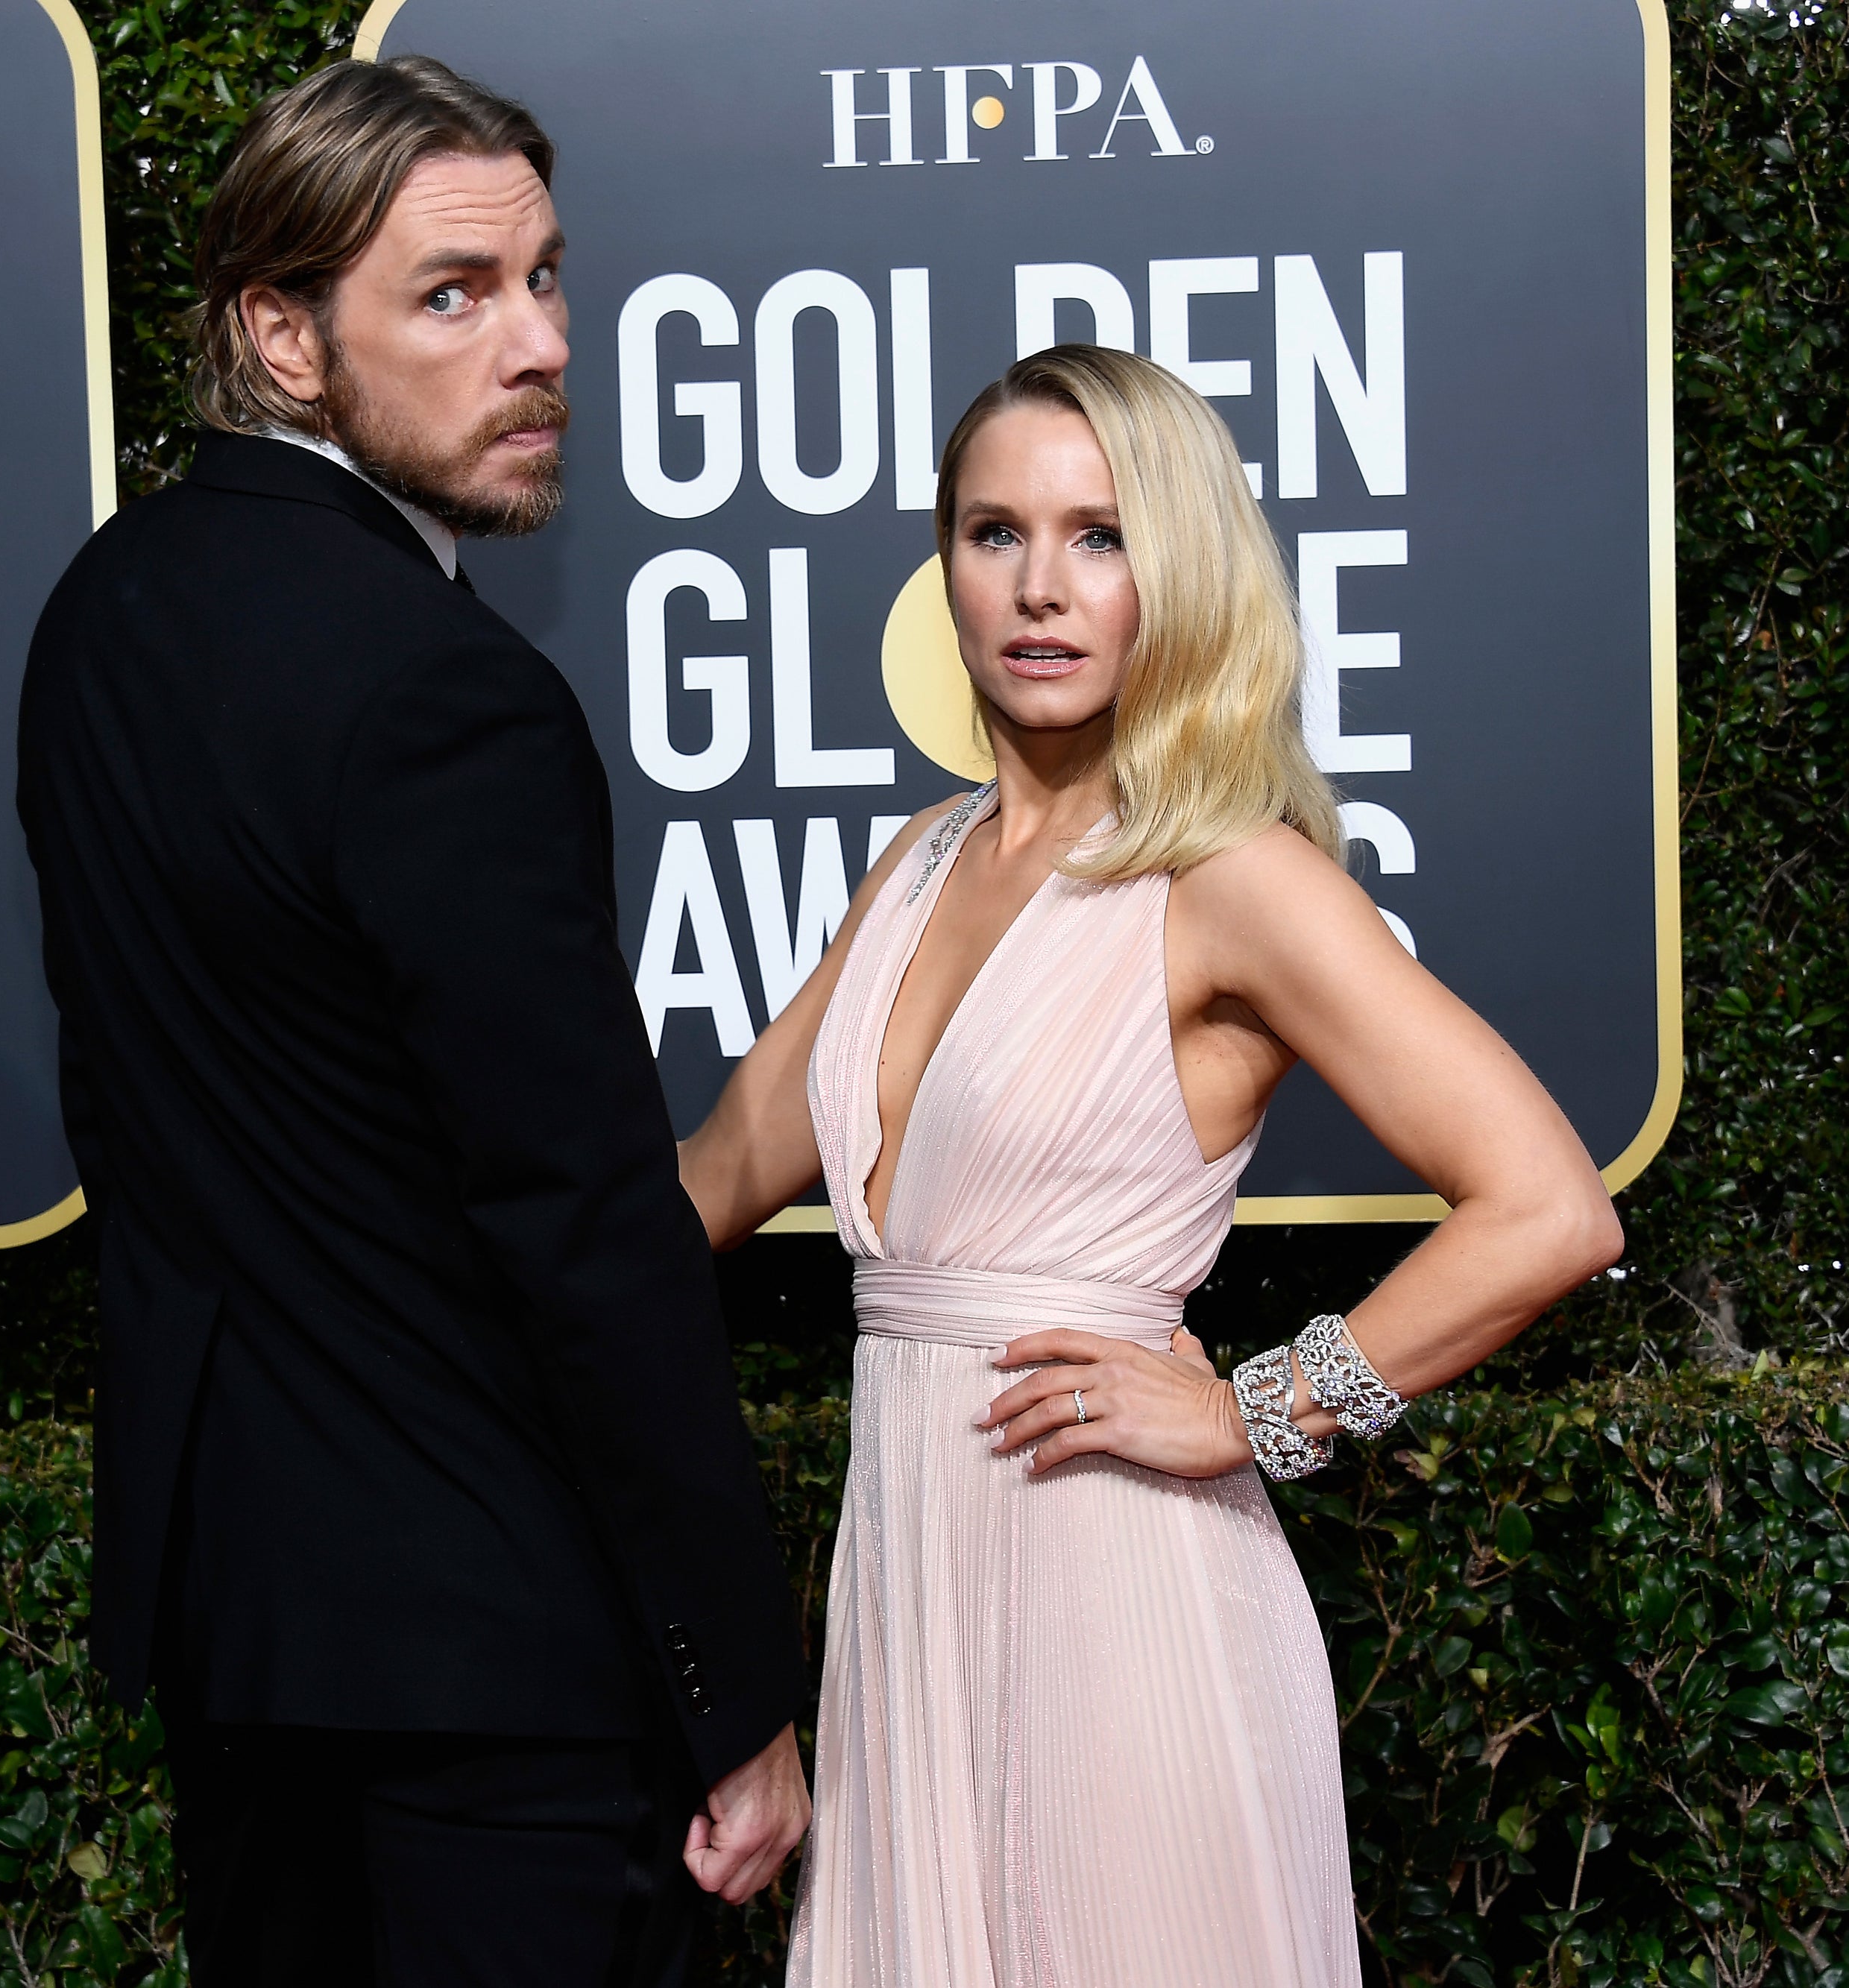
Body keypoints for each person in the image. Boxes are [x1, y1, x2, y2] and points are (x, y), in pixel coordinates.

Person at [678, 344, 1625, 1987]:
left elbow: (1548, 1205)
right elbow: (697, 1188)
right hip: (912, 1601)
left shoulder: (1229, 874)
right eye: (993, 533)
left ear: (1170, 572)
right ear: (944, 565)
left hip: (1126, 1594)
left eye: (1098, 536)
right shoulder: (911, 862)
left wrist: (1252, 1405)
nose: (1039, 587)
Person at [16, 57, 806, 1987]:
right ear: (283, 339)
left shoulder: (105, 616)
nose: (537, 346)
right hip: (496, 1656)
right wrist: (733, 1682)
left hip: (248, 1637)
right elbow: (582, 1226)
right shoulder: (449, 692)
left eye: (547, 280)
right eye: (453, 296)